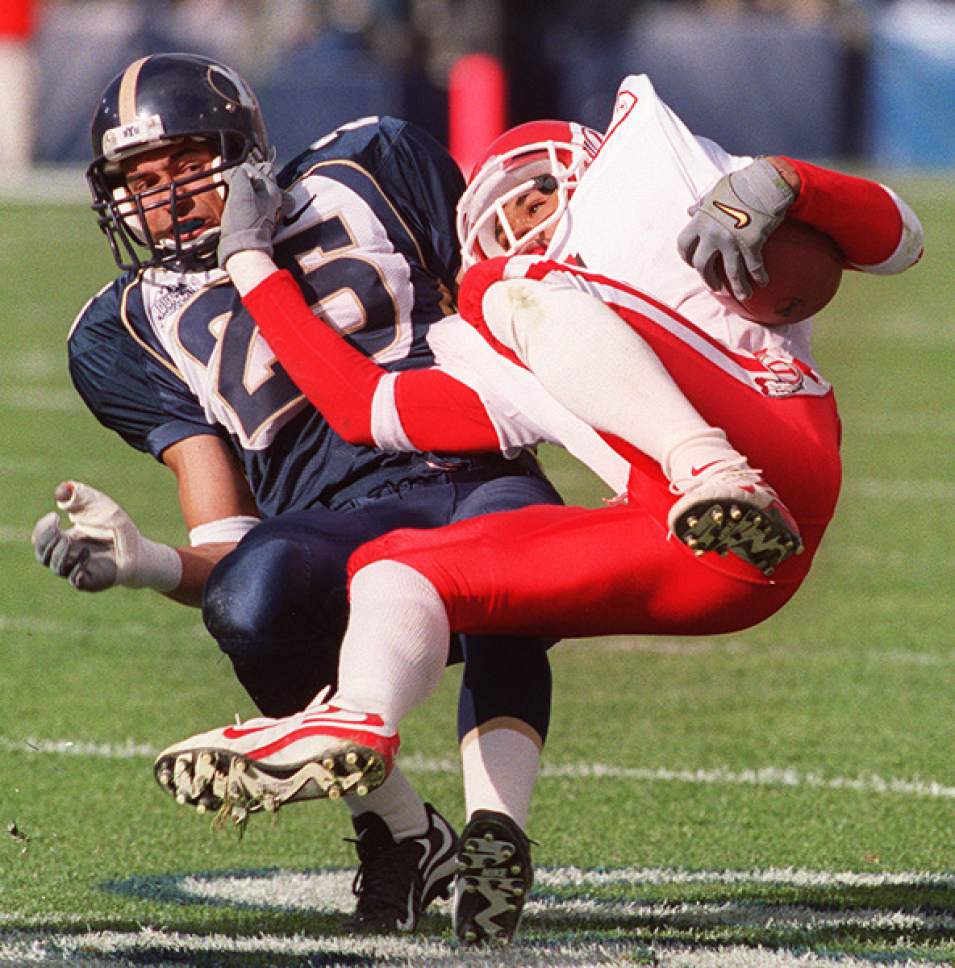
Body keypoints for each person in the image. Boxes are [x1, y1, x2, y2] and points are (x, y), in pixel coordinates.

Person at [151, 74, 924, 945]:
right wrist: (252, 264)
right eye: (496, 224)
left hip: (765, 449)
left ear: (576, 172)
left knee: (499, 292)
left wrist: (788, 183)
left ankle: (705, 465)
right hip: (704, 553)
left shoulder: (667, 196)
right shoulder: (529, 332)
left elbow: (900, 237)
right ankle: (362, 722)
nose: (516, 233)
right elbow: (364, 407)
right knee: (399, 570)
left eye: (529, 201)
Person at [28, 52, 567, 935]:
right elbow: (230, 538)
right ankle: (397, 831)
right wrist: (147, 562)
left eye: (186, 167)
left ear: (243, 150)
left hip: (471, 465)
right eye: (140, 180)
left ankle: (494, 835)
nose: (162, 199)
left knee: (508, 548)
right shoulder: (126, 326)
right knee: (249, 597)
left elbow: (501, 305)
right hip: (337, 522)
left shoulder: (367, 165)